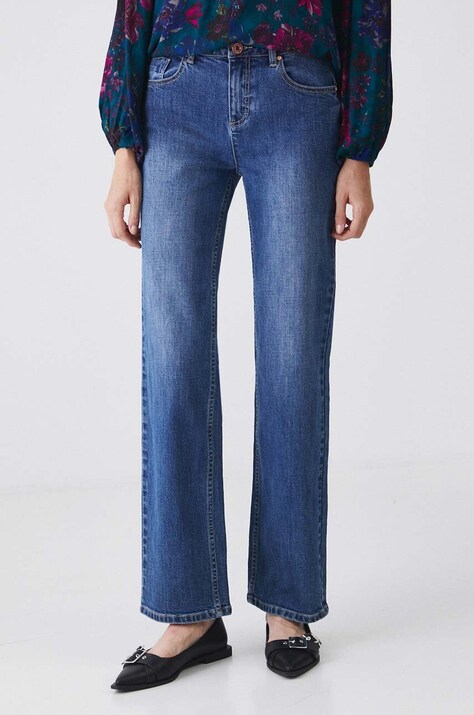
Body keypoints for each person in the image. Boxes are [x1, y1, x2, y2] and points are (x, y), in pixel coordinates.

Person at [99, 0, 392, 690]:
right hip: (177, 90)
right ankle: (189, 612)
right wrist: (123, 144)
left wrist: (359, 149)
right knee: (173, 360)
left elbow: (368, 13)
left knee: (292, 357)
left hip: (298, 94)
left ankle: (288, 605)